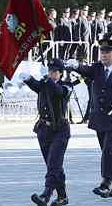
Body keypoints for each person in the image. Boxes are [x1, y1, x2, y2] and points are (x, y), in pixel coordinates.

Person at [65, 38, 112, 197]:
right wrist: (75, 65)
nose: (103, 55)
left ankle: (106, 182)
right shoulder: (97, 68)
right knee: (108, 150)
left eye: (107, 52)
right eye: (102, 52)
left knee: (109, 148)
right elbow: (84, 70)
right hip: (100, 117)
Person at [20, 59, 72, 206]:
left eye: (55, 71)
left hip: (60, 131)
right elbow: (37, 86)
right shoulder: (45, 84)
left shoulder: (66, 86)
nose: (52, 74)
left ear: (61, 73)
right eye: (50, 71)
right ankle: (62, 197)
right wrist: (28, 79)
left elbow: (59, 92)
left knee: (54, 164)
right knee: (54, 165)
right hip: (44, 130)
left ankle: (46, 195)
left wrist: (48, 81)